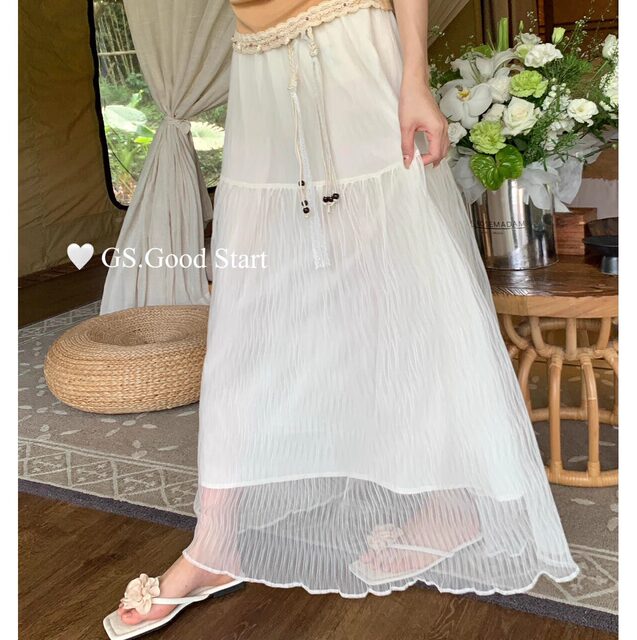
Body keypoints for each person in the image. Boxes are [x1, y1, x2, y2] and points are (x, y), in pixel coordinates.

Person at [103, 0, 580, 637]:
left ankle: (452, 503)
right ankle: (216, 539)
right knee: (246, 318)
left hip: (354, 45)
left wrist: (414, 77)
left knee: (399, 293)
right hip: (259, 70)